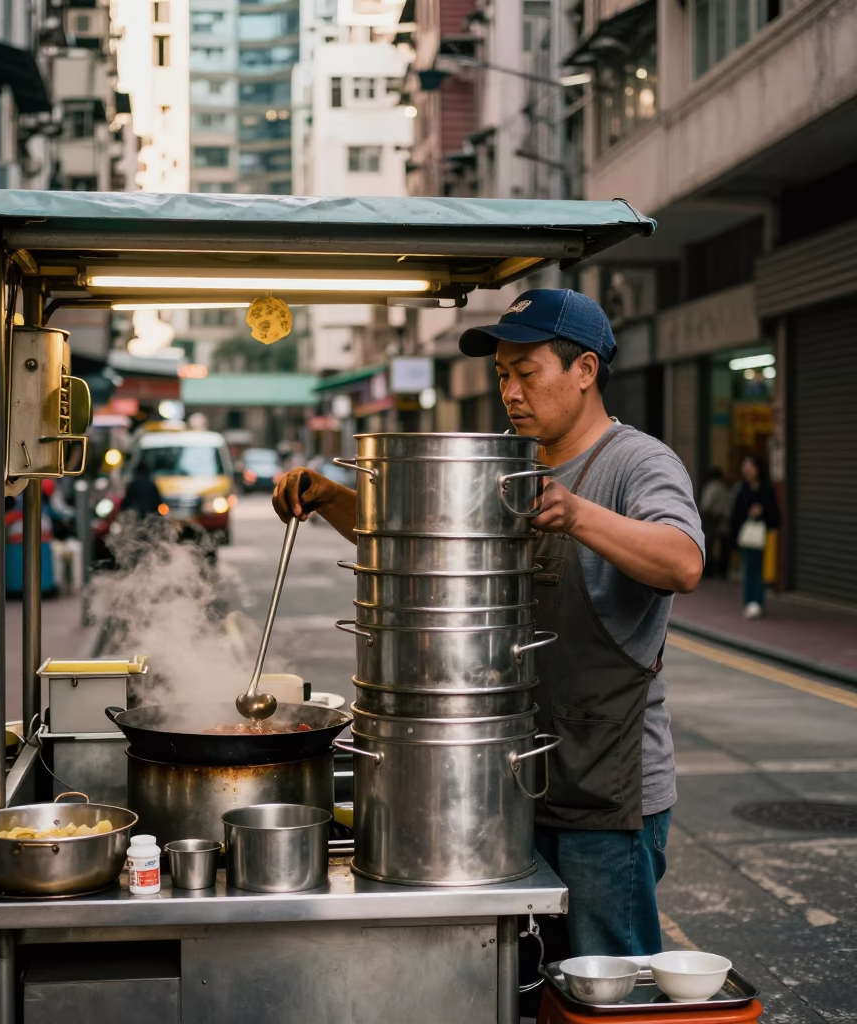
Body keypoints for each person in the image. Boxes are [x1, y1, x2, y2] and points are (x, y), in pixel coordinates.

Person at [273, 288, 704, 960]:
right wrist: (329, 497)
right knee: (520, 976)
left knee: (607, 978)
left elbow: (683, 562)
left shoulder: (636, 463)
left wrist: (580, 514)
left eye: (526, 373)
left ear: (585, 370)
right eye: (502, 376)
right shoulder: (506, 459)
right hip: (503, 783)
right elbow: (417, 547)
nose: (510, 392)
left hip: (605, 792)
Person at [730, 455, 780, 619]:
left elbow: (776, 515)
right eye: (745, 466)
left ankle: (757, 602)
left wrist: (762, 512)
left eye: (750, 466)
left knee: (759, 570)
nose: (747, 469)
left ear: (758, 468)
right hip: (746, 535)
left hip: (763, 535)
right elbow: (736, 513)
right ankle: (750, 602)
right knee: (749, 570)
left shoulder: (767, 489)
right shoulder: (742, 489)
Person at [699, 467, 732, 579]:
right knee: (722, 545)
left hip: (712, 519)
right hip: (723, 519)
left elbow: (706, 504)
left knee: (709, 544)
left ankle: (708, 570)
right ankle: (722, 571)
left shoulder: (711, 487)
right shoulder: (724, 488)